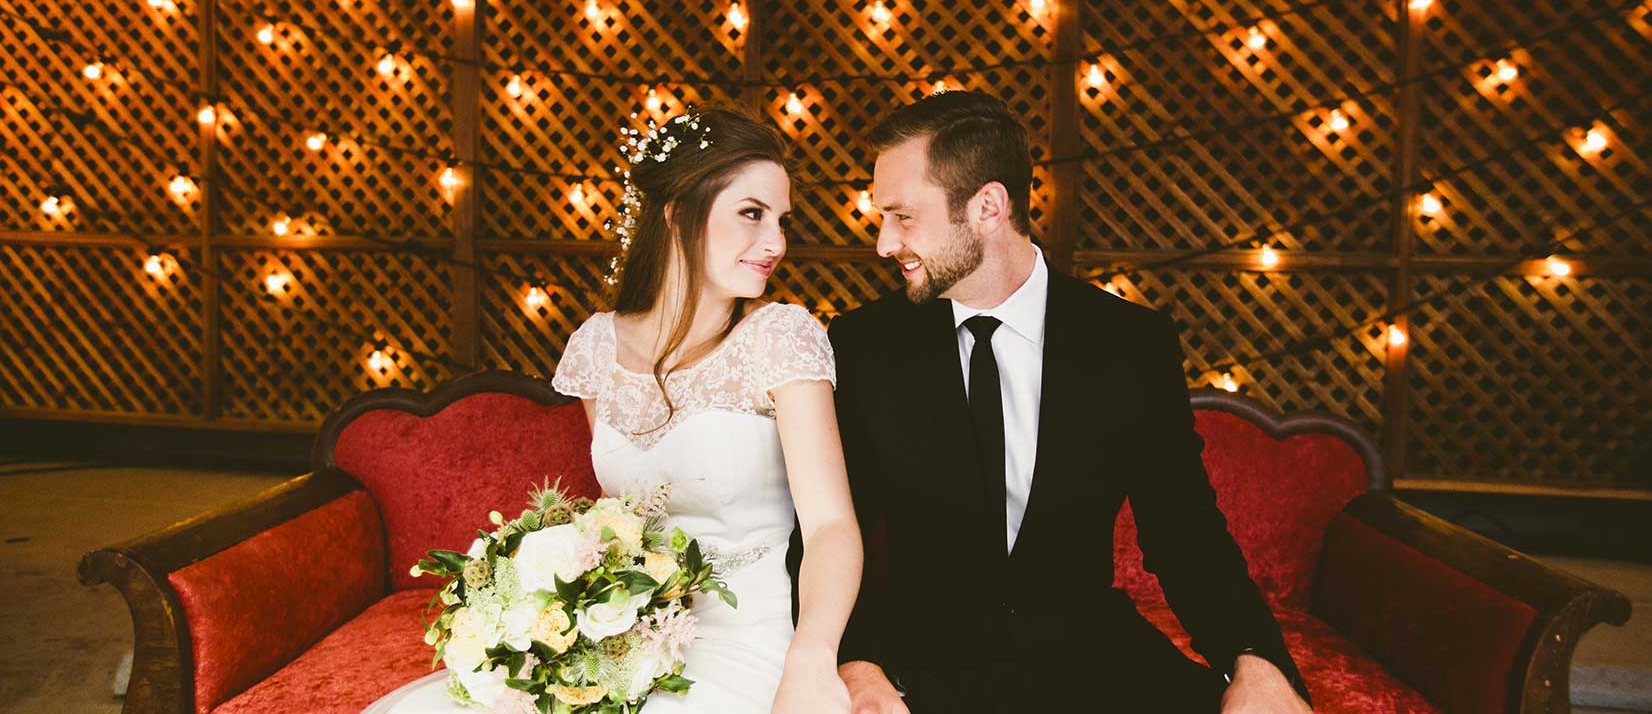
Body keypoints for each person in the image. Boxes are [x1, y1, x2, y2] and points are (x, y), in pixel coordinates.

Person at [819, 90, 1311, 713]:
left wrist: (1254, 658)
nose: (885, 243)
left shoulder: (1132, 343)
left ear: (988, 207)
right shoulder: (864, 344)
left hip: (1090, 656)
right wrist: (857, 665)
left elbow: (1185, 533)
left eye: (903, 217)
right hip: (919, 664)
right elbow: (830, 531)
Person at [365, 109, 860, 714]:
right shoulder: (597, 345)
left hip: (750, 637)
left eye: (782, 221)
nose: (776, 242)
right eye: (751, 214)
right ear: (678, 213)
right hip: (628, 638)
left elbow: (832, 526)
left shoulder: (781, 338)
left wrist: (812, 658)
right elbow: (617, 520)